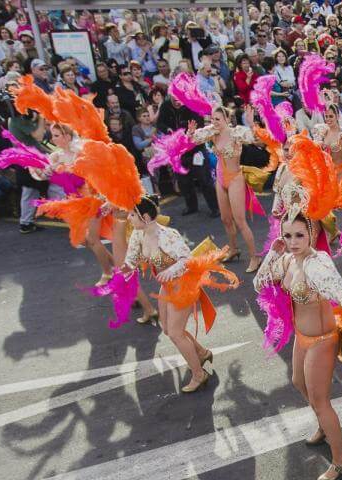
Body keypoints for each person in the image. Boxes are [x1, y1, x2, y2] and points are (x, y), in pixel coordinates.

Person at [254, 213, 342, 480]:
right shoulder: (288, 259)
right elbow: (259, 284)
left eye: (299, 234)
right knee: (298, 381)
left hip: (322, 341)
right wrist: (272, 255)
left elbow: (340, 293)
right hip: (303, 336)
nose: (293, 241)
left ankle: (340, 459)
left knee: (320, 401)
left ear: (312, 232)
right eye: (287, 235)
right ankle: (325, 428)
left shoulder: (318, 262)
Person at [123, 195, 238, 392]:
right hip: (168, 286)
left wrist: (169, 271)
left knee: (176, 333)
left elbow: (186, 260)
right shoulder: (138, 235)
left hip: (183, 284)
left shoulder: (168, 235)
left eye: (132, 214)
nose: (128, 218)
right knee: (168, 330)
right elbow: (132, 259)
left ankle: (199, 375)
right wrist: (124, 271)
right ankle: (201, 353)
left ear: (146, 217)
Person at [187, 106, 262, 273]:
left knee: (240, 221)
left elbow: (253, 139)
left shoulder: (236, 133)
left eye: (218, 119)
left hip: (235, 179)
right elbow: (193, 141)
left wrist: (251, 124)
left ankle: (254, 257)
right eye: (212, 119)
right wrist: (191, 132)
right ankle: (234, 249)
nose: (214, 122)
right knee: (225, 219)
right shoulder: (212, 132)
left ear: (227, 120)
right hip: (220, 179)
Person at [157, 95, 219, 217]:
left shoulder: (192, 106)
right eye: (174, 100)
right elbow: (160, 123)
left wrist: (186, 134)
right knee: (183, 181)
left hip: (195, 148)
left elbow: (199, 126)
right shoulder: (165, 106)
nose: (178, 102)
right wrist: (167, 129)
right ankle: (191, 206)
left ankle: (215, 207)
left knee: (205, 179)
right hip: (178, 150)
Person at [8, 110, 48, 234]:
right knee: (34, 189)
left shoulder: (18, 119)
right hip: (30, 159)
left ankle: (26, 223)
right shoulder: (16, 120)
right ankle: (72, 217)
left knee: (31, 190)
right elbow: (39, 135)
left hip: (29, 157)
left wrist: (35, 118)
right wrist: (41, 117)